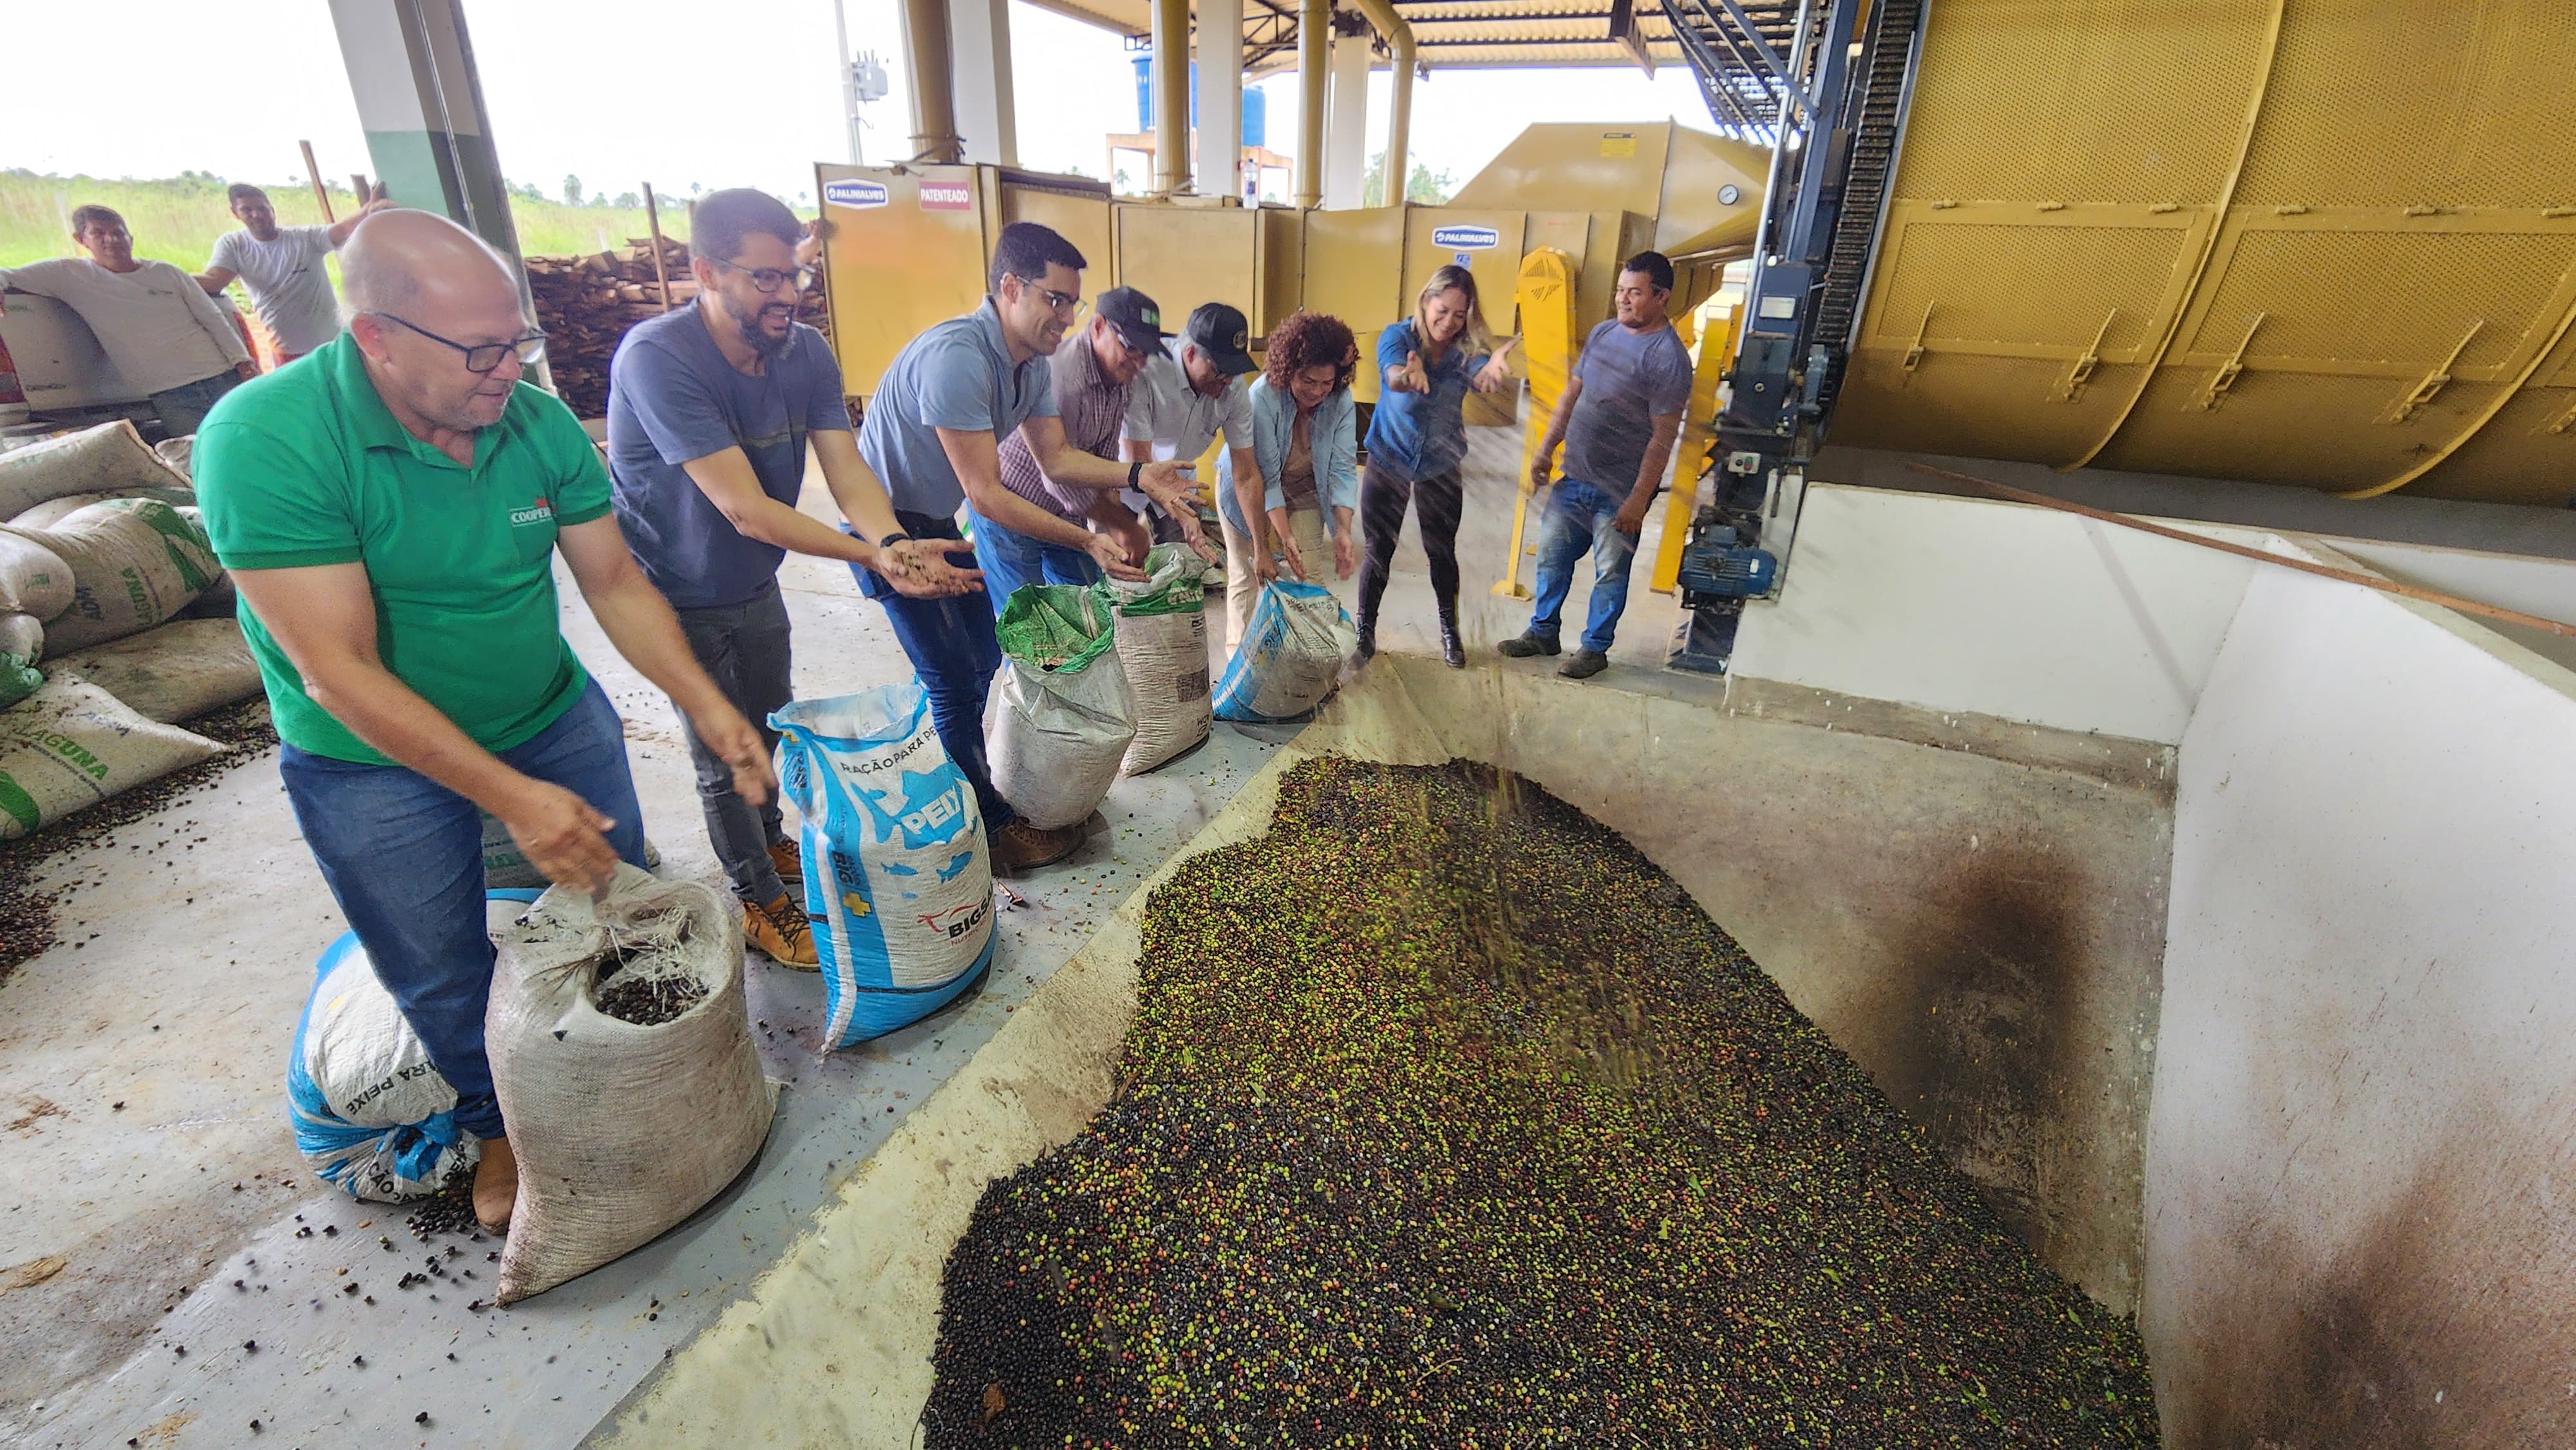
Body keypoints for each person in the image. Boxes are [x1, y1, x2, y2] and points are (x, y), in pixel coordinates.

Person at [193, 209, 775, 1236]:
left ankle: (627, 1080)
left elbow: (615, 583)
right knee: (439, 957)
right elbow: (336, 671)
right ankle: (497, 1124)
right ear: (376, 337)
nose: (509, 369)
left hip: (547, 715)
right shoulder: (266, 439)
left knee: (614, 909)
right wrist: (513, 799)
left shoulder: (536, 427)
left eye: (520, 342)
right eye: (480, 350)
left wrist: (707, 704)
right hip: (367, 760)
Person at [606, 188, 979, 968]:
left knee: (769, 724)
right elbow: (744, 508)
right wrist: (871, 558)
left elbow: (845, 465)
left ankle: (768, 840)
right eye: (765, 278)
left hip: (754, 579)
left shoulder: (803, 351)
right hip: (675, 589)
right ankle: (756, 898)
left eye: (795, 276)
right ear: (707, 272)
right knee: (726, 751)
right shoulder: (658, 357)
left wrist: (892, 540)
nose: (787, 295)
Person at [857, 221, 1198, 874]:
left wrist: (1138, 476)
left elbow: (1058, 457)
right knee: (952, 679)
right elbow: (987, 495)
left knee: (985, 655)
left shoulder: (1031, 364)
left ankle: (955, 784)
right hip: (885, 526)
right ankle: (986, 830)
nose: (1066, 316)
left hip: (935, 516)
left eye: (1072, 301)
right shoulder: (959, 358)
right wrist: (1088, 538)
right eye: (1055, 299)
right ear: (1011, 288)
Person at [1501, 252, 1694, 680]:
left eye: (1635, 293)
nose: (1623, 299)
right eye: (1621, 291)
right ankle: (1543, 633)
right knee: (1551, 558)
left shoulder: (1669, 358)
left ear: (1662, 297)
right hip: (1574, 477)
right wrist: (1545, 450)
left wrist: (1638, 499)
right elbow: (1571, 397)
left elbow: (1662, 438)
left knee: (1611, 573)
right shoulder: (1604, 333)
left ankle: (1594, 648)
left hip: (1619, 492)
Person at [1356, 265, 1519, 668]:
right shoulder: (1397, 337)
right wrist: (1406, 378)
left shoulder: (1466, 351)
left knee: (1442, 552)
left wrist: (1490, 373)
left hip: (1440, 462)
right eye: (1442, 311)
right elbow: (1393, 374)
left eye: (1459, 315)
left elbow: (1480, 371)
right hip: (1390, 455)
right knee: (1379, 549)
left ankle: (1450, 631)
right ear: (1426, 301)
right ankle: (1364, 633)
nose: (1448, 323)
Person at [985, 286, 1180, 607]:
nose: (1139, 363)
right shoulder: (1065, 377)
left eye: (1146, 353)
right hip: (1013, 509)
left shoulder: (1121, 380)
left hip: (1064, 515)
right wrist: (1124, 525)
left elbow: (1104, 460)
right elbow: (1058, 476)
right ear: (1099, 326)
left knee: (1090, 606)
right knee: (1026, 617)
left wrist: (1117, 530)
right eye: (1132, 348)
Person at [0, 204, 255, 436]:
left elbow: (213, 319)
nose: (111, 240)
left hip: (222, 377)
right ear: (81, 240)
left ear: (130, 238)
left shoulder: (166, 272)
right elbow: (7, 275)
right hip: (171, 394)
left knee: (251, 442)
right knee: (199, 455)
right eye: (98, 234)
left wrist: (243, 363)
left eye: (118, 233)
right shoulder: (69, 275)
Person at [1213, 310, 1361, 651]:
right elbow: (1264, 477)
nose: (1318, 392)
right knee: (1248, 574)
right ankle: (1240, 660)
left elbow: (1342, 470)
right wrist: (1279, 539)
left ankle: (1312, 656)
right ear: (1288, 369)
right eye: (1308, 381)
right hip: (1248, 486)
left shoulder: (1341, 399)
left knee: (1309, 574)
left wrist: (1342, 530)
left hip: (1304, 486)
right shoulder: (1262, 397)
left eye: (1326, 383)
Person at [1122, 302, 1263, 555]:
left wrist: (1260, 547)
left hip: (1178, 479)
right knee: (1119, 559)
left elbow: (1246, 473)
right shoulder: (1146, 370)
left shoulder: (1233, 386)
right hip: (1124, 474)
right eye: (1220, 370)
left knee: (1185, 560)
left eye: (1235, 371)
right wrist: (1180, 513)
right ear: (1190, 354)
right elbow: (1140, 461)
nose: (1228, 380)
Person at [198, 182, 392, 365]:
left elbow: (343, 230)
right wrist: (178, 280)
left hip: (333, 342)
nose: (257, 215)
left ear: (272, 209)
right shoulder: (234, 245)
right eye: (247, 210)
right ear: (235, 213)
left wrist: (369, 208)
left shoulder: (304, 239)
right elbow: (215, 281)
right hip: (286, 349)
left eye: (262, 208)